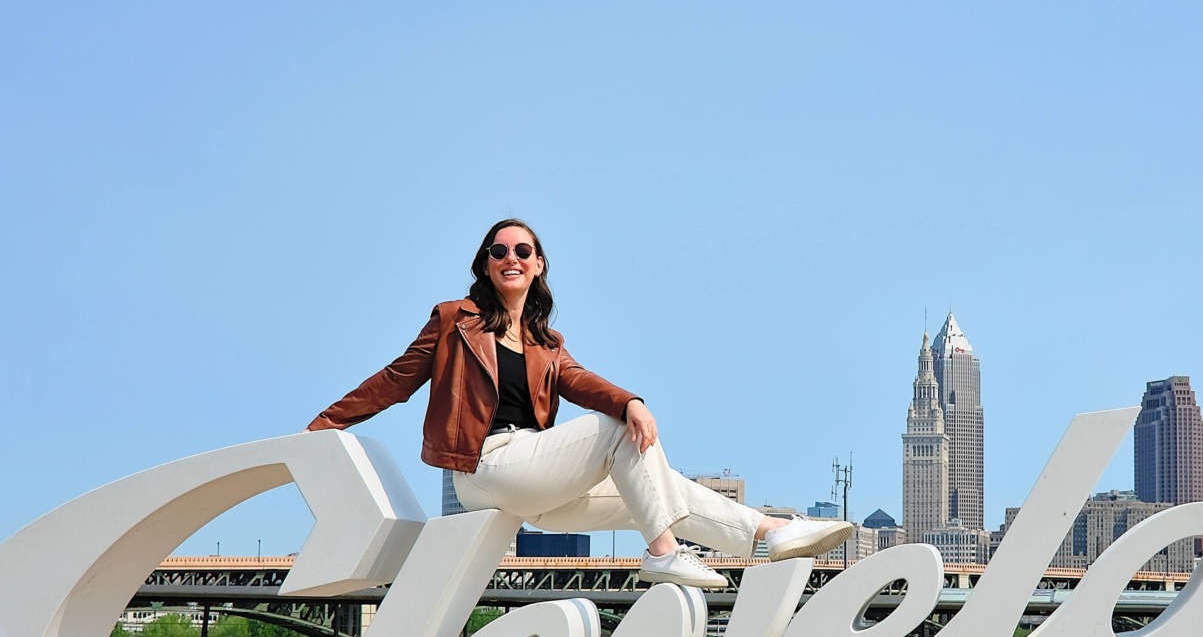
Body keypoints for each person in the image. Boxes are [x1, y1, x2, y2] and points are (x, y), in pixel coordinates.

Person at [308, 218, 852, 587]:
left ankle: (769, 536)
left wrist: (630, 398)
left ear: (538, 264)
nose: (511, 258)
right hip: (487, 467)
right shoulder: (455, 320)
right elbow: (396, 379)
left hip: (537, 485)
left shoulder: (548, 344)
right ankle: (664, 555)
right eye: (499, 251)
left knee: (664, 489)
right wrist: (322, 428)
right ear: (486, 264)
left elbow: (582, 380)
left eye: (523, 251)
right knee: (616, 428)